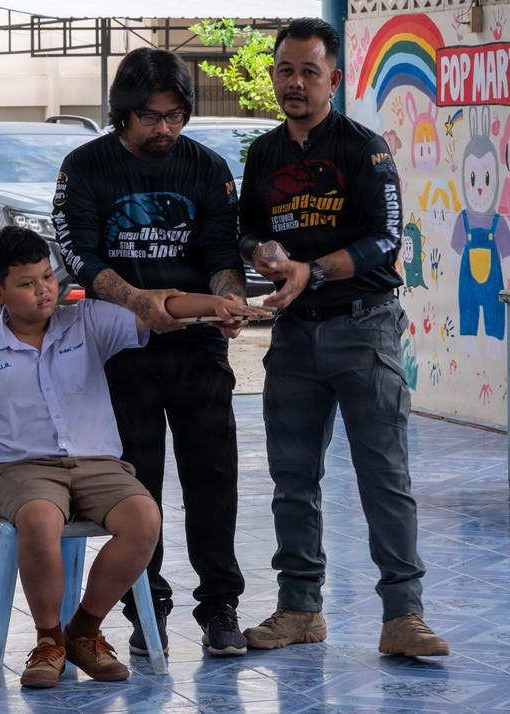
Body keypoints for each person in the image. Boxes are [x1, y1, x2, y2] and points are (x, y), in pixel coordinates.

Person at [0, 226, 267, 688]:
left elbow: (159, 305)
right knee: (39, 521)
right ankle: (47, 640)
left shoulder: (87, 321)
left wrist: (215, 306)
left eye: (47, 277)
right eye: (27, 283)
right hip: (20, 470)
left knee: (144, 518)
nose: (43, 290)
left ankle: (83, 630)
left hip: (98, 465)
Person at [238, 18, 448, 657]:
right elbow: (243, 232)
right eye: (285, 71)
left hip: (365, 328)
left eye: (309, 71)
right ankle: (300, 609)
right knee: (292, 478)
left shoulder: (366, 149)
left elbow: (388, 239)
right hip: (295, 338)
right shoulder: (265, 154)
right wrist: (262, 251)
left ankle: (402, 618)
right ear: (273, 76)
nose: (295, 83)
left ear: (333, 79)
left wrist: (313, 269)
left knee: (383, 476)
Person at [52, 47, 251, 657]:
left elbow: (222, 252)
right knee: (138, 487)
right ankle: (148, 609)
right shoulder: (85, 167)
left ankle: (220, 606)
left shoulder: (207, 167)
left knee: (213, 481)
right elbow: (78, 253)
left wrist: (228, 299)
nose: (165, 128)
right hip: (122, 353)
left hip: (199, 352)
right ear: (123, 115)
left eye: (175, 116)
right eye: (151, 117)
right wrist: (138, 301)